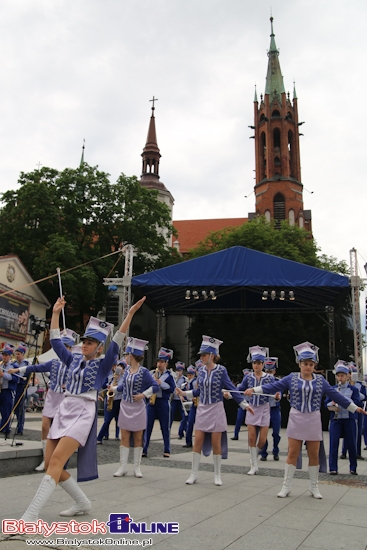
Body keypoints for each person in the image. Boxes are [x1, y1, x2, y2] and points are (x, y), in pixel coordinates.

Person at [20, 295, 145, 522]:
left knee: (57, 462)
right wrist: (56, 313)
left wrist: (129, 315)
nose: (84, 345)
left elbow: (117, 340)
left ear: (98, 348)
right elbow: (57, 342)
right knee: (50, 464)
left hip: (83, 412)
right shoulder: (72, 360)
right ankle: (82, 502)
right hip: (64, 408)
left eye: (89, 343)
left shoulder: (103, 364)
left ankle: (30, 515)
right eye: (84, 341)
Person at [245, 341, 367, 499]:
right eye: (305, 363)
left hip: (314, 419)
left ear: (314, 365)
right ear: (299, 363)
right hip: (296, 417)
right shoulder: (291, 378)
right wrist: (254, 389)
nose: (308, 366)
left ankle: (314, 487)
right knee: (293, 453)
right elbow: (273, 387)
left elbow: (335, 396)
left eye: (310, 364)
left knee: (314, 454)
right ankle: (286, 486)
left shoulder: (320, 380)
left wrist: (354, 407)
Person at [176, 335, 253, 486]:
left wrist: (244, 405)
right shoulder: (201, 371)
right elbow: (199, 391)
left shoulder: (221, 370)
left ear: (212, 355)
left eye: (204, 355)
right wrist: (185, 393)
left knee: (216, 442)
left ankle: (217, 474)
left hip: (216, 409)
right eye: (201, 355)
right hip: (203, 408)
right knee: (197, 441)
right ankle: (194, 474)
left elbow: (231, 388)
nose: (202, 357)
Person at [10, 329, 78, 471]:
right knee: (44, 426)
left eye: (67, 347)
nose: (64, 349)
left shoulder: (74, 364)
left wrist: (71, 385)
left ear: (70, 348)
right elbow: (36, 367)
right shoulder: (53, 362)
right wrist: (17, 371)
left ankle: (58, 459)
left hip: (65, 398)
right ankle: (45, 459)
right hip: (52, 396)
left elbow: (80, 380)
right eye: (63, 346)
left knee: (59, 430)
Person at [113, 338, 159, 478]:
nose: (126, 357)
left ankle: (137, 467)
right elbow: (123, 387)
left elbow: (155, 386)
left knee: (138, 437)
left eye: (127, 354)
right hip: (125, 406)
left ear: (131, 356)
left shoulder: (144, 371)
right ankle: (123, 467)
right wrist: (113, 388)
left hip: (138, 407)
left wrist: (143, 395)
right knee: (124, 436)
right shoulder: (126, 370)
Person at [237, 346, 277, 475]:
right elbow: (239, 390)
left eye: (259, 363)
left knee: (262, 440)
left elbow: (276, 390)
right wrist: (229, 394)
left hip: (265, 408)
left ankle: (254, 456)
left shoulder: (270, 378)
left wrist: (277, 395)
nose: (256, 365)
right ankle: (254, 464)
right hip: (252, 408)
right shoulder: (248, 377)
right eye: (254, 363)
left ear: (263, 364)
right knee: (252, 437)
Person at [326, 360, 361, 475]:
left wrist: (344, 400)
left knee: (351, 443)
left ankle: (353, 467)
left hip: (349, 419)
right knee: (333, 443)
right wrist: (332, 404)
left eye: (342, 376)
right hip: (336, 419)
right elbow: (326, 403)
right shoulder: (332, 389)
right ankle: (333, 467)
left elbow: (357, 403)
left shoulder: (353, 389)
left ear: (347, 376)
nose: (340, 378)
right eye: (338, 376)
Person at [143, 347, 175, 458]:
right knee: (147, 426)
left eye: (161, 362)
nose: (159, 364)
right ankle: (144, 448)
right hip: (152, 402)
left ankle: (167, 449)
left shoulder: (170, 376)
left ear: (166, 363)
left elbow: (172, 389)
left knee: (165, 427)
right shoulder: (152, 373)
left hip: (163, 402)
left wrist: (160, 383)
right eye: (158, 361)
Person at [340, 363, 366, 460]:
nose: (350, 375)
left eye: (352, 373)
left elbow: (363, 397)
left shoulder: (360, 385)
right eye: (349, 373)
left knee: (358, 431)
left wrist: (355, 390)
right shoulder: (343, 385)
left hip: (358, 409)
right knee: (347, 431)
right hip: (347, 409)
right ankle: (344, 452)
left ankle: (357, 453)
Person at [97, 359, 126, 444]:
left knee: (122, 421)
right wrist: (109, 385)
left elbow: (121, 388)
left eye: (122, 368)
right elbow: (105, 385)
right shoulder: (112, 377)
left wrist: (113, 387)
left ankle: (123, 438)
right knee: (107, 420)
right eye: (119, 367)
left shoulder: (124, 378)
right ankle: (99, 437)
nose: (120, 369)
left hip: (120, 400)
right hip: (111, 400)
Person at [259, 358, 282, 462]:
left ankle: (276, 450)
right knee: (263, 433)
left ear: (274, 371)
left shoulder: (278, 382)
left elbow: (279, 394)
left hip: (275, 409)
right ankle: (263, 453)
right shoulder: (261, 382)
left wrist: (277, 397)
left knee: (276, 433)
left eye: (271, 371)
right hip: (264, 409)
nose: (269, 373)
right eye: (267, 371)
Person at [0, 343, 17, 436]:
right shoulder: (1, 364)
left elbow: (15, 379)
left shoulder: (13, 366)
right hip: (1, 389)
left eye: (6, 355)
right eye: (3, 354)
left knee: (6, 410)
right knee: (2, 410)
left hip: (8, 390)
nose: (4, 357)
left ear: (10, 356)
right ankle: (2, 425)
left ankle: (6, 428)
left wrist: (3, 375)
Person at [12, 343, 30, 435]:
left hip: (22, 387)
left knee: (20, 409)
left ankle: (20, 428)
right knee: (14, 408)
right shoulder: (13, 363)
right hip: (15, 386)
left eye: (19, 354)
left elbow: (28, 375)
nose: (17, 356)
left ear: (23, 355)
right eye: (16, 354)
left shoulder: (26, 364)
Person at [230, 368, 251, 440]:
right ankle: (236, 435)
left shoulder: (253, 385)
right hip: (243, 404)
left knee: (251, 421)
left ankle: (251, 436)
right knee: (239, 419)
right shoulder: (240, 385)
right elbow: (237, 392)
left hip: (251, 404)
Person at [170, 361, 188, 438]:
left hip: (181, 400)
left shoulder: (185, 379)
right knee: (171, 415)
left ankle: (184, 432)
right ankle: (167, 430)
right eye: (177, 370)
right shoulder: (173, 378)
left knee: (184, 416)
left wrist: (182, 395)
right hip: (174, 400)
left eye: (180, 370)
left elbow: (186, 389)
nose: (178, 372)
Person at [183, 365, 198, 448]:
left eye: (190, 375)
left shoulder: (196, 381)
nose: (189, 376)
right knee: (190, 422)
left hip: (201, 404)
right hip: (193, 404)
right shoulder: (188, 382)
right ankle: (188, 441)